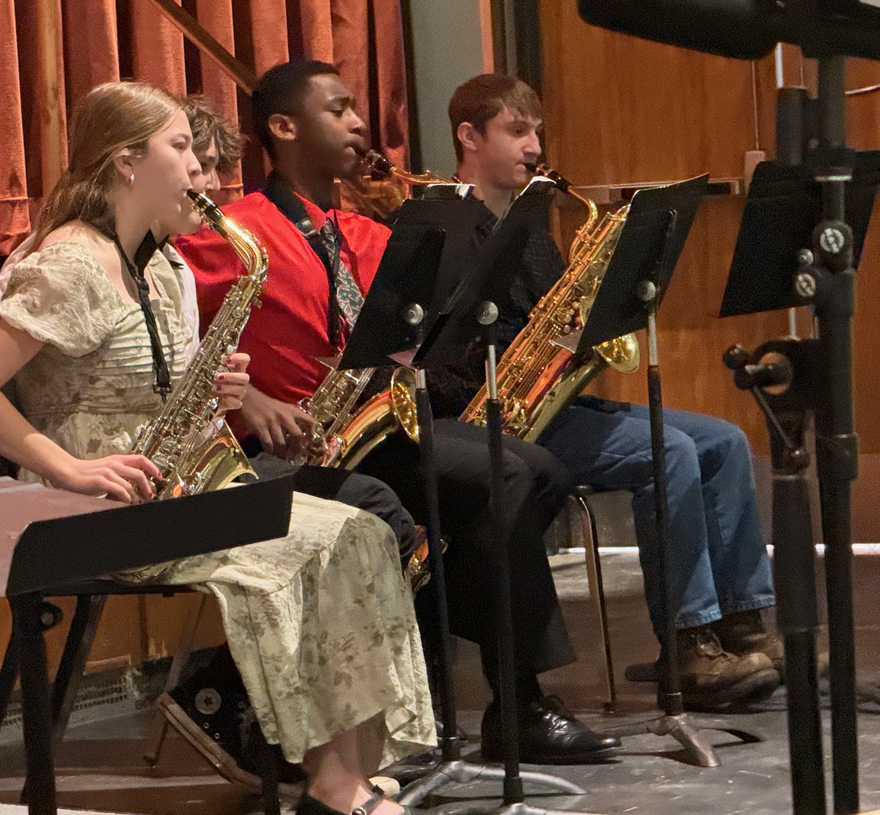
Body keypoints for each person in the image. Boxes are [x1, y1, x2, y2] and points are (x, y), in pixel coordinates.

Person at [0, 80, 434, 815]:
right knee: (293, 553)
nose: (201, 176)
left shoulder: (165, 265)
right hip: (96, 508)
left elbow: (158, 391)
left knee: (358, 531)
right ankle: (332, 785)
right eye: (181, 152)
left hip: (175, 489)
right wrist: (65, 465)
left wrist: (219, 395)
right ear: (126, 162)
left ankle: (348, 774)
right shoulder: (70, 262)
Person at [177, 60, 622, 765]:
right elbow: (167, 341)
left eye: (358, 107)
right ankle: (518, 700)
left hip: (380, 428)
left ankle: (483, 682)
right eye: (341, 110)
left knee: (533, 469)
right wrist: (251, 397)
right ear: (285, 128)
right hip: (303, 443)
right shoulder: (231, 232)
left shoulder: (373, 235)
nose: (360, 124)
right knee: (503, 478)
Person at [437, 73, 783, 710]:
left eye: (536, 131)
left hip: (563, 402)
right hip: (506, 419)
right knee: (668, 449)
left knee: (725, 440)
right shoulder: (447, 227)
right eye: (517, 131)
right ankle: (688, 642)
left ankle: (745, 622)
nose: (535, 146)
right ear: (469, 135)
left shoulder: (531, 225)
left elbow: (564, 322)